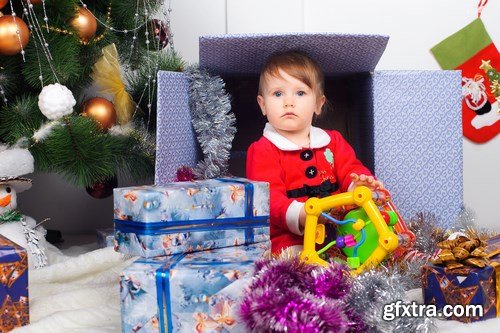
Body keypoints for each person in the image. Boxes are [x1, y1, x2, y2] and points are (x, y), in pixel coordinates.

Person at [246, 51, 383, 255]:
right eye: (277, 94)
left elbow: (350, 169)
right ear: (263, 105)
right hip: (290, 235)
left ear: (318, 104)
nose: (289, 102)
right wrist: (300, 214)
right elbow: (268, 199)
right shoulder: (262, 149)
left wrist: (359, 183)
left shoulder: (332, 141)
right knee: (293, 261)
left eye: (300, 93)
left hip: (341, 229)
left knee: (369, 244)